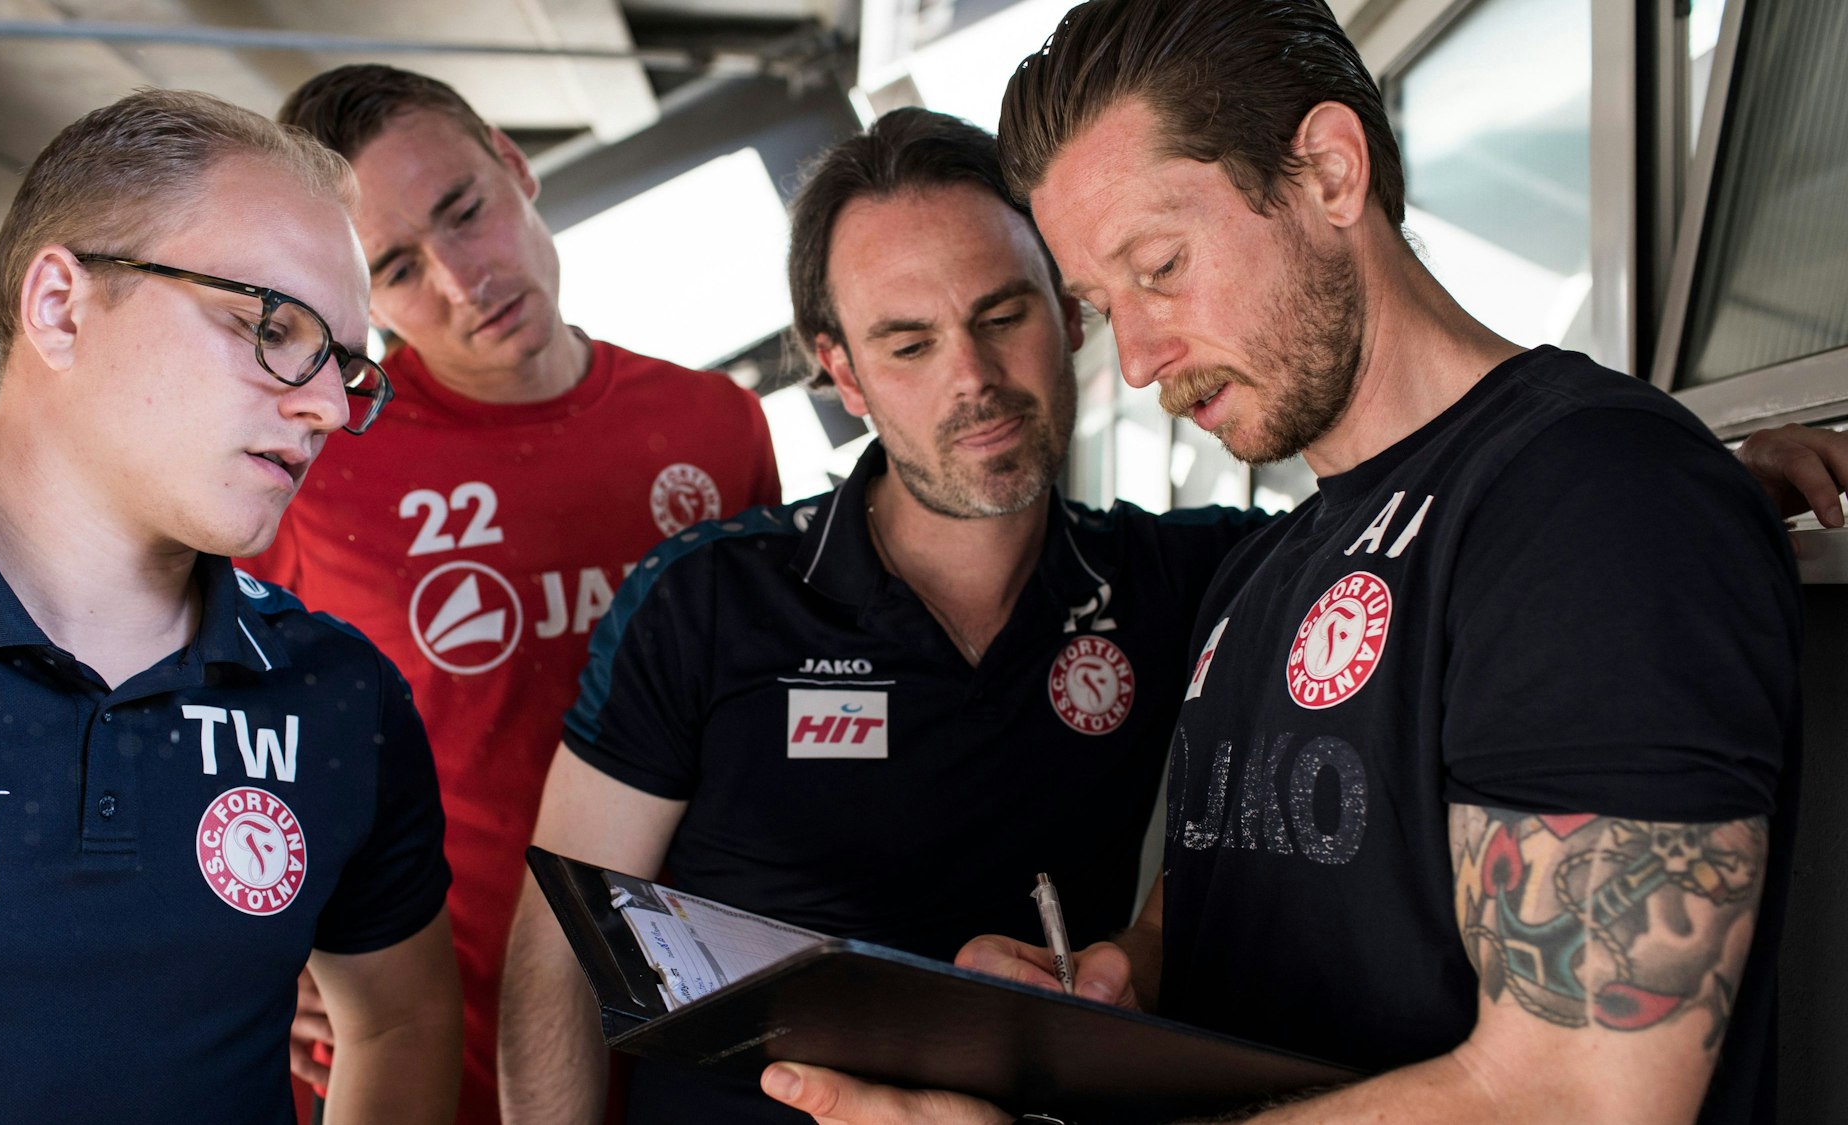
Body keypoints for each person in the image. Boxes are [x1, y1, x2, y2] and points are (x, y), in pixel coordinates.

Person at [757, 1, 1814, 1122]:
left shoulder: (1594, 500)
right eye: (1103, 307)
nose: (1140, 358)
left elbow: (1584, 1092)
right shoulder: (1263, 572)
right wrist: (1121, 975)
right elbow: (1226, 895)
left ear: (1328, 171)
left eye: (1161, 266)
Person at [496, 105, 1267, 1125]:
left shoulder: (1179, 579)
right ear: (844, 374)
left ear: (1073, 314)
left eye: (1003, 317)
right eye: (908, 345)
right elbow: (559, 957)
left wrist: (1150, 945)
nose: (973, 379)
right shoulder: (705, 601)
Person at [0, 89, 459, 1123]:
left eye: (347, 366)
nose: (325, 405)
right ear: (60, 307)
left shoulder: (338, 695)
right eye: (270, 326)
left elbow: (402, 1020)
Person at [248, 65, 781, 1124]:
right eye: (398, 268)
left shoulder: (716, 425)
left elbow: (774, 721)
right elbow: (200, 730)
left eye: (464, 211)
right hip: (431, 1046)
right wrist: (259, 935)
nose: (463, 280)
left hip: (703, 1034)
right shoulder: (310, 466)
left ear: (514, 163)